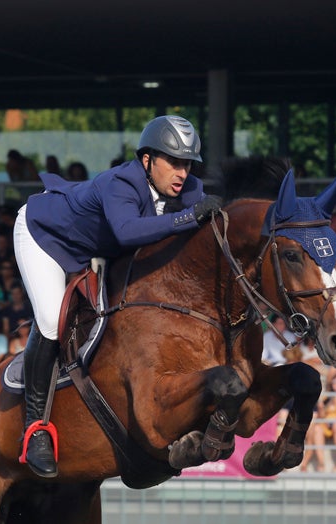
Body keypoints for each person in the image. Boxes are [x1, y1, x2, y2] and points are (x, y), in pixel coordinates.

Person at [13, 115, 221, 477]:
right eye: (173, 162)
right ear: (147, 161)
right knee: (50, 321)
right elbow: (127, 232)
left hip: (95, 250)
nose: (181, 172)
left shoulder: (187, 190)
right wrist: (189, 218)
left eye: (187, 164)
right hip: (45, 237)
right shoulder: (120, 181)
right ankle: (36, 430)